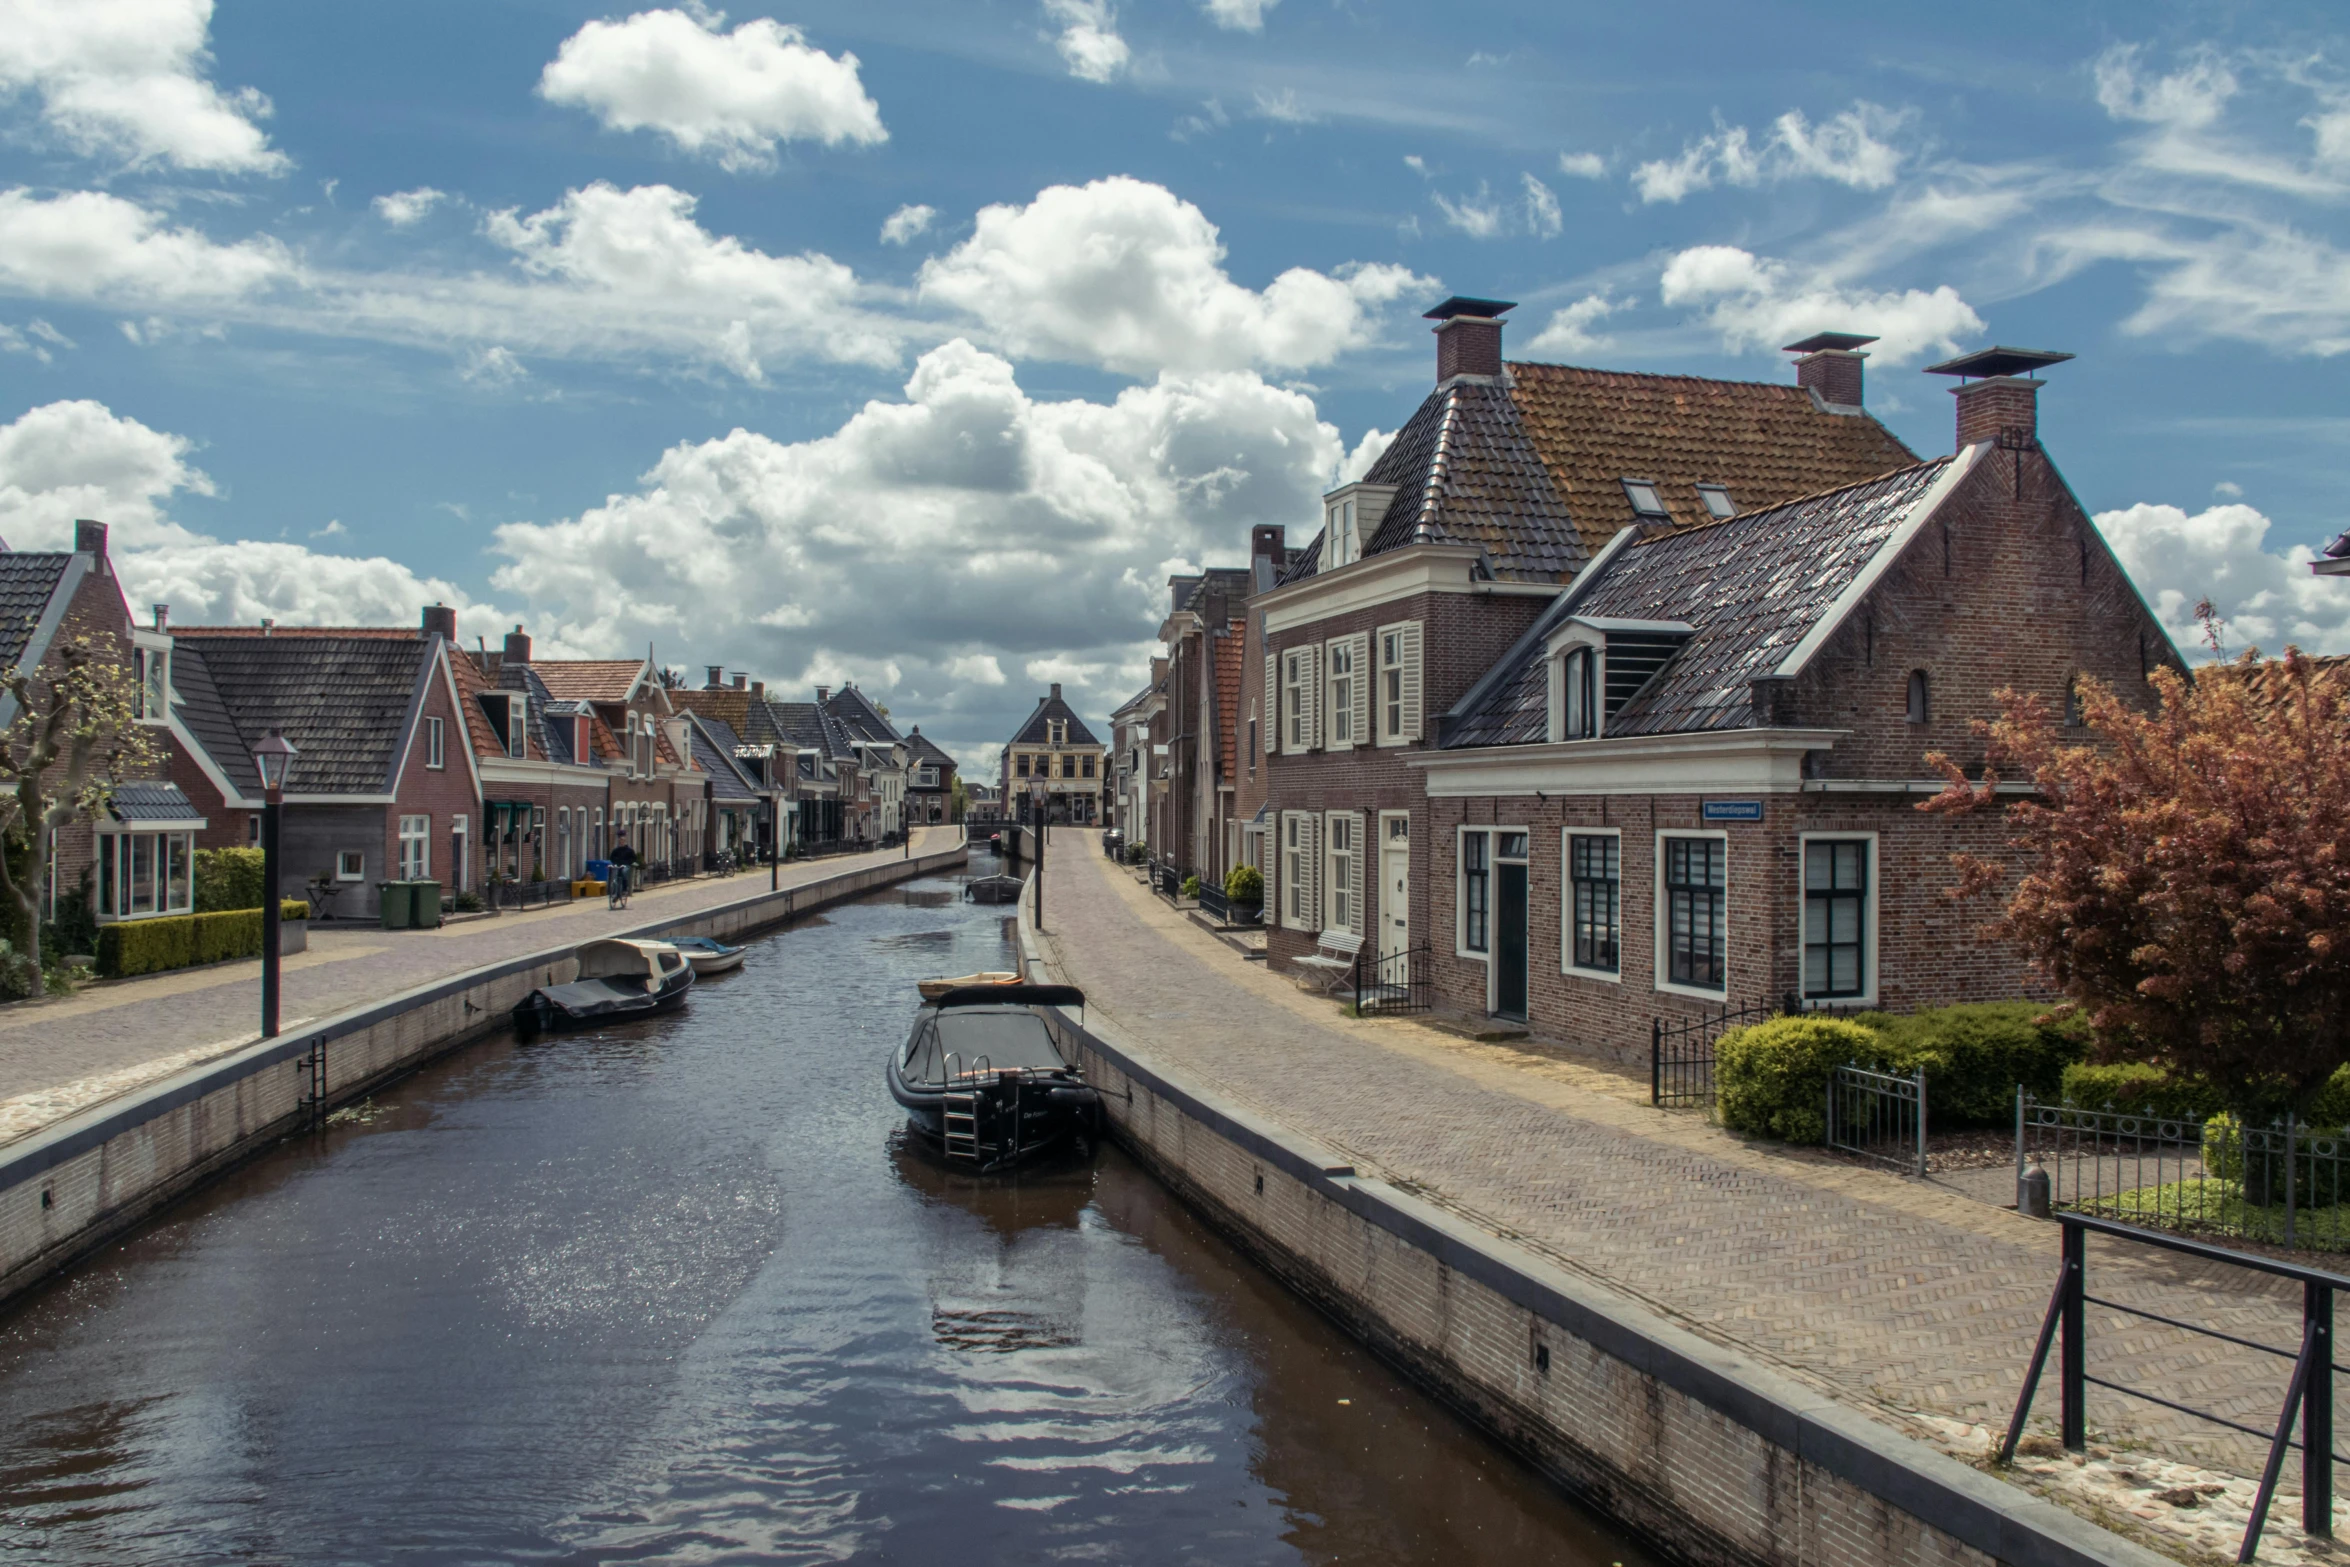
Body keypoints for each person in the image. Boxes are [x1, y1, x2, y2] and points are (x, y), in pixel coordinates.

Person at [608, 833, 638, 901]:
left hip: (625, 865)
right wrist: (615, 862)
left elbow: (634, 858)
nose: (621, 842)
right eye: (620, 841)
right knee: (615, 877)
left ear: (625, 841)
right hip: (618, 865)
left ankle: (624, 889)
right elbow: (612, 857)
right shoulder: (616, 850)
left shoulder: (629, 850)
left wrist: (628, 862)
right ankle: (615, 893)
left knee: (624, 872)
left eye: (622, 841)